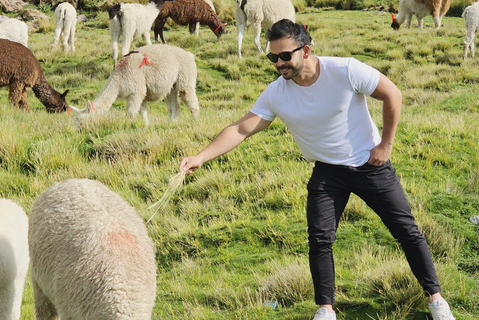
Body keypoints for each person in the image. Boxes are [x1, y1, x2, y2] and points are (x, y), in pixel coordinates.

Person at [179, 18, 455, 320]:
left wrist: (385, 146)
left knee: (407, 231)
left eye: (286, 56)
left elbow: (393, 94)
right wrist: (200, 157)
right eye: (273, 57)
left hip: (370, 164)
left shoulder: (345, 70)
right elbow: (241, 129)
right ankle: (325, 309)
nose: (279, 63)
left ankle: (437, 301)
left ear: (306, 50)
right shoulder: (276, 93)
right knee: (320, 239)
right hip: (327, 172)